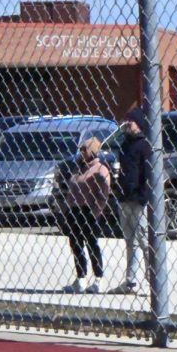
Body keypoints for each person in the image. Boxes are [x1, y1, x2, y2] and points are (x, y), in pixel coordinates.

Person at [58, 137, 112, 294]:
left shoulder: (100, 169)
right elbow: (71, 190)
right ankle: (81, 277)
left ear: (93, 151)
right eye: (81, 149)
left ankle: (98, 279)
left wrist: (96, 212)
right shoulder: (78, 168)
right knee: (76, 244)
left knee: (92, 245)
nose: (81, 152)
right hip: (75, 211)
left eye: (84, 149)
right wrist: (67, 208)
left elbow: (104, 194)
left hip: (89, 211)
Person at [112, 106, 151, 295]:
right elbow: (120, 173)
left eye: (131, 121)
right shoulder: (124, 145)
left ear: (139, 124)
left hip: (138, 200)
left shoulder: (144, 146)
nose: (128, 124)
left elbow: (148, 174)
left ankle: (154, 279)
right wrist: (118, 193)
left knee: (143, 240)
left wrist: (144, 197)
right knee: (130, 241)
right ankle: (130, 281)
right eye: (127, 120)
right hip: (124, 199)